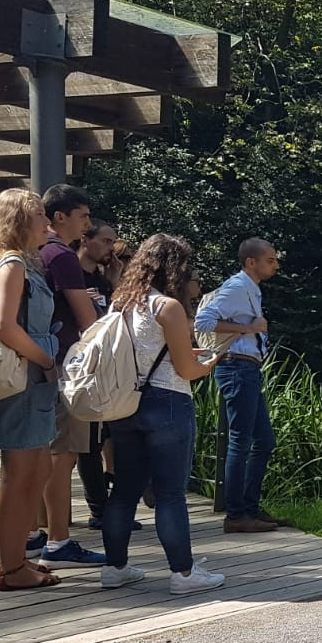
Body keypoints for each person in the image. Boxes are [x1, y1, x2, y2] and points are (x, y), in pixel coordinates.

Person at [98, 234, 228, 595]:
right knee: (170, 493)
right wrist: (210, 362)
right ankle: (183, 574)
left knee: (124, 490)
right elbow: (185, 370)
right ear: (176, 268)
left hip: (125, 404)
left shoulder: (120, 304)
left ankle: (114, 567)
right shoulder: (167, 306)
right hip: (168, 402)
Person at [0, 189, 62, 590]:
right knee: (19, 474)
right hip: (22, 378)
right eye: (40, 216)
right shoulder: (12, 265)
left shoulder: (7, 264)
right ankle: (11, 567)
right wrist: (45, 360)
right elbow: (4, 326)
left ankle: (18, 560)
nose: (48, 224)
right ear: (20, 221)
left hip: (28, 380)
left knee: (37, 469)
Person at [36, 183, 106, 568]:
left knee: (40, 454)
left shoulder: (35, 253)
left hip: (40, 361)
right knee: (64, 455)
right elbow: (86, 318)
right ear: (58, 216)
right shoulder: (61, 255)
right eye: (83, 216)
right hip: (66, 363)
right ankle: (59, 540)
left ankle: (35, 532)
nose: (88, 224)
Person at [194, 238, 281, 533]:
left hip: (247, 368)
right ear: (250, 262)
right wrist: (248, 327)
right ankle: (236, 515)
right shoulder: (237, 286)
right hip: (236, 367)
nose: (275, 265)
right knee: (240, 440)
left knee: (263, 441)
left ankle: (249, 508)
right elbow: (202, 322)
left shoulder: (249, 288)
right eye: (270, 260)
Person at [75, 219, 120, 531]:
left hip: (105, 366)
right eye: (105, 241)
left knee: (104, 437)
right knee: (87, 443)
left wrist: (115, 283)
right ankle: (98, 509)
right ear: (85, 240)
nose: (111, 248)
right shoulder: (72, 274)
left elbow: (117, 317)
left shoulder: (103, 279)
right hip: (79, 366)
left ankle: (105, 506)